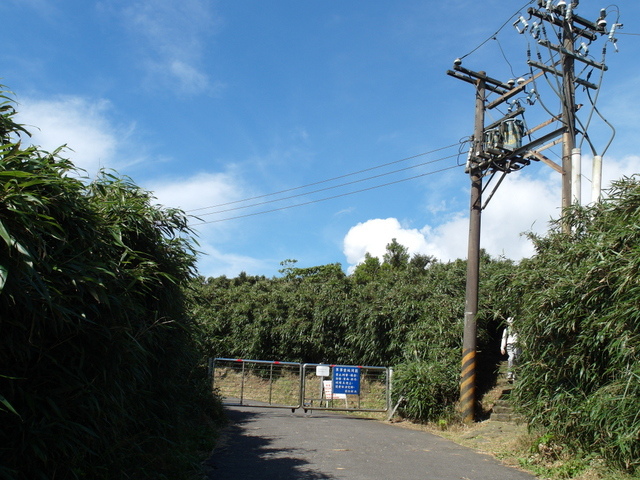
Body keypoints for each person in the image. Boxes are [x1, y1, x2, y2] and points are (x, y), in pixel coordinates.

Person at [500, 316, 521, 381]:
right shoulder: (506, 330)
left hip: (517, 345)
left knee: (517, 359)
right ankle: (509, 373)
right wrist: (502, 348)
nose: (511, 324)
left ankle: (515, 375)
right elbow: (504, 338)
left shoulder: (518, 329)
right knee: (511, 358)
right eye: (510, 322)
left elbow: (521, 336)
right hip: (509, 345)